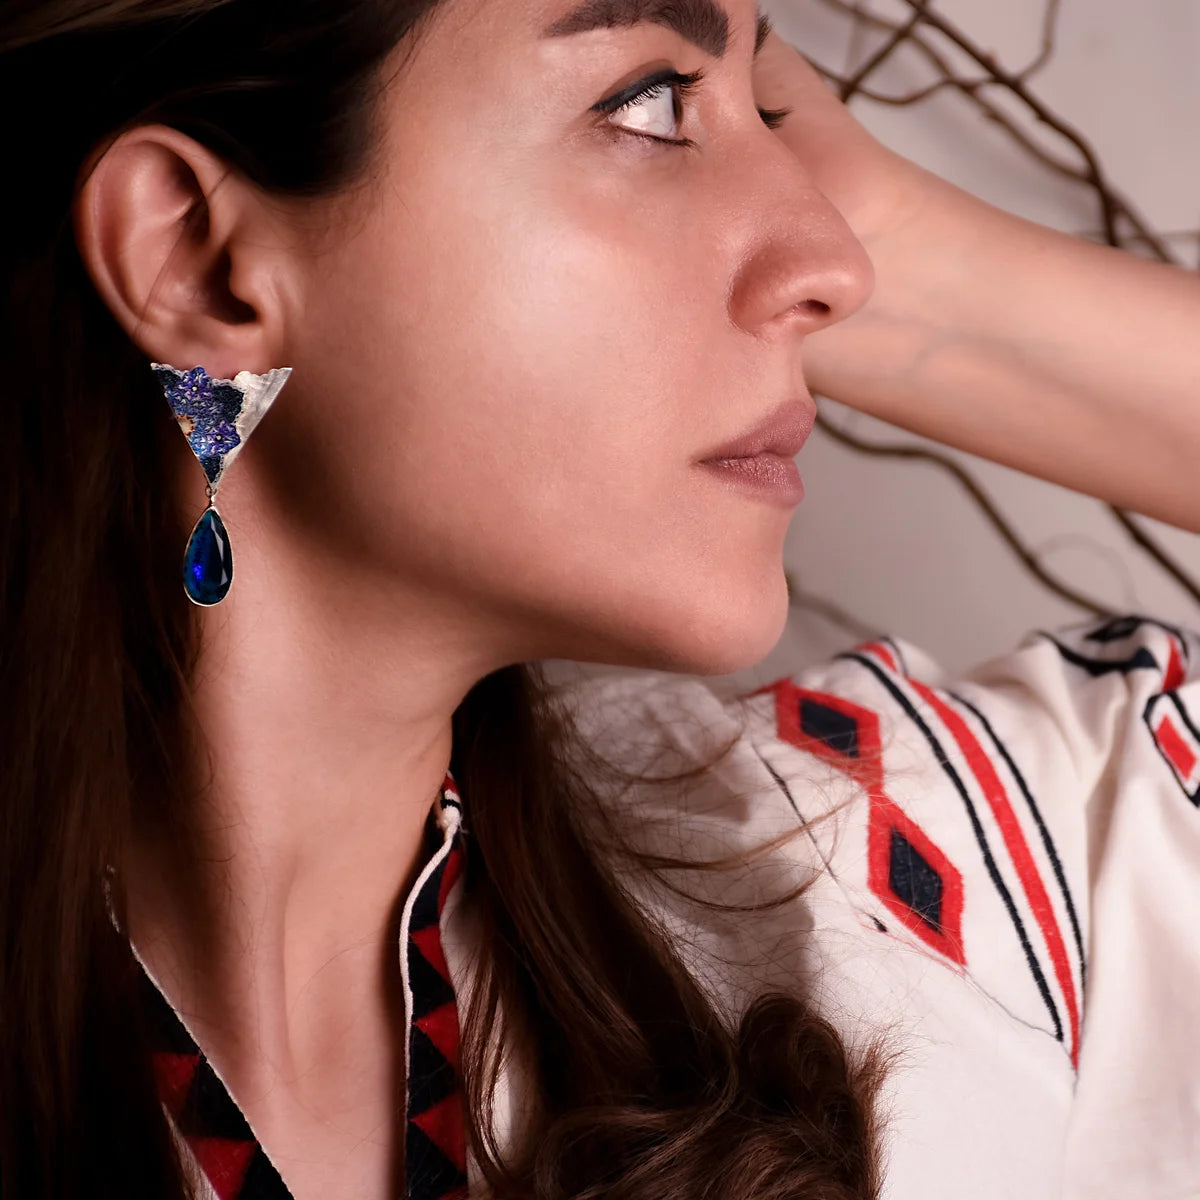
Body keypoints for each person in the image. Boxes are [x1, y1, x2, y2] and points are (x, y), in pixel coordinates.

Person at [2, 0, 1197, 1197]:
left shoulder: (875, 887)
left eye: (770, 107)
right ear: (197, 258)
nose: (838, 264)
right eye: (649, 101)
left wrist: (926, 284)